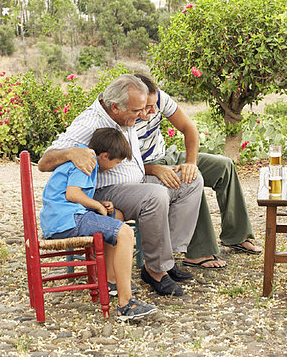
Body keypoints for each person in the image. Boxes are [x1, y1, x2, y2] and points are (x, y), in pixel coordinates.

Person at [38, 74, 204, 297]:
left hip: (137, 183)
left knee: (190, 182)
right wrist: (71, 153)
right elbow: (44, 162)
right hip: (107, 191)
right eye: (137, 111)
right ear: (115, 106)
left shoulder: (123, 116)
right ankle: (156, 271)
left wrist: (156, 169)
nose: (142, 114)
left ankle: (166, 258)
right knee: (155, 196)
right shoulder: (89, 122)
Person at [133, 74, 261, 269]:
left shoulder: (157, 97)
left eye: (153, 105)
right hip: (143, 168)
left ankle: (237, 235)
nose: (152, 110)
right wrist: (155, 169)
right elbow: (120, 165)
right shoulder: (124, 112)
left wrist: (191, 162)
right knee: (189, 180)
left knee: (224, 167)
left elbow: (188, 128)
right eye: (147, 107)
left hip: (168, 156)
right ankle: (198, 252)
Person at [40, 127, 157, 321]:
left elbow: (72, 194)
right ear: (104, 155)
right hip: (68, 220)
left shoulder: (82, 156)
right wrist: (97, 206)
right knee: (125, 233)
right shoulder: (87, 161)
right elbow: (73, 194)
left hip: (60, 219)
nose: (115, 167)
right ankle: (126, 305)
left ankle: (111, 281)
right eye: (116, 162)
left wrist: (102, 206)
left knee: (116, 217)